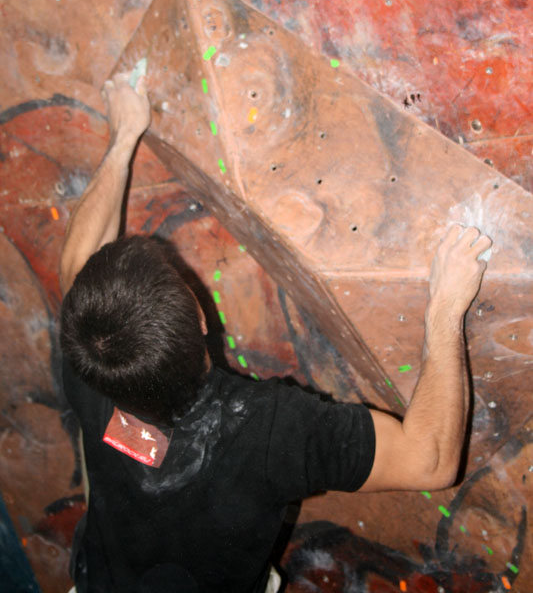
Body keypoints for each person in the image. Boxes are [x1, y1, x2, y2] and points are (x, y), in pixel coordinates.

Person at [59, 73, 492, 593]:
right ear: (202, 320)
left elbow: (76, 266)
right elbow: (430, 461)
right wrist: (445, 309)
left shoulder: (92, 356)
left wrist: (123, 137)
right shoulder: (266, 432)